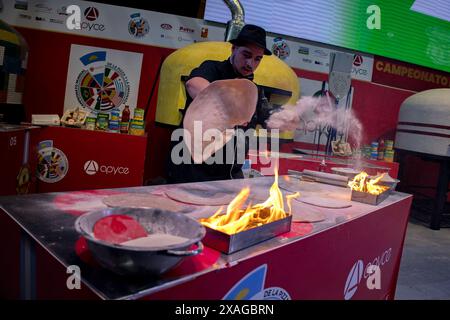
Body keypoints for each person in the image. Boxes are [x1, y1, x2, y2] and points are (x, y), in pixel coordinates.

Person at [166, 24, 273, 184]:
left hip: (229, 177)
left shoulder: (254, 91)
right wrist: (228, 106)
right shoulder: (213, 68)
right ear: (233, 49)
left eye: (257, 59)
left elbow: (270, 120)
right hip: (193, 171)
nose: (251, 64)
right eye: (246, 55)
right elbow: (193, 84)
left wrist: (294, 118)